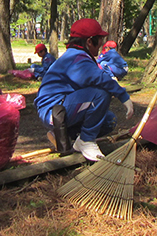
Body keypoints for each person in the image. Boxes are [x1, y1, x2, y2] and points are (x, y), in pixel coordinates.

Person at [34, 19, 134, 160]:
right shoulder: (77, 58)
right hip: (54, 110)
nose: (100, 45)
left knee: (108, 120)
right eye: (99, 40)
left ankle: (67, 136)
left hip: (63, 107)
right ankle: (86, 141)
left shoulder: (77, 55)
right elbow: (100, 79)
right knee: (100, 94)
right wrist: (124, 96)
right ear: (89, 41)